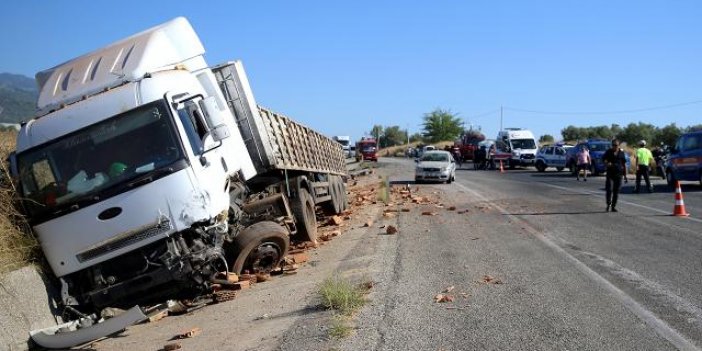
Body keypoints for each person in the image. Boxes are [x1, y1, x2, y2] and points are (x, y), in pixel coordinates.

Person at [602, 139, 628, 212]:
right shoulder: (608, 152)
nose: (614, 146)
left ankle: (613, 206)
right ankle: (608, 204)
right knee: (609, 189)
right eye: (613, 145)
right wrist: (607, 163)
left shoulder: (621, 153)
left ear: (618, 145)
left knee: (616, 191)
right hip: (610, 173)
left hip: (619, 174)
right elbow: (603, 159)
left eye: (616, 145)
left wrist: (625, 175)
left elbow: (624, 164)